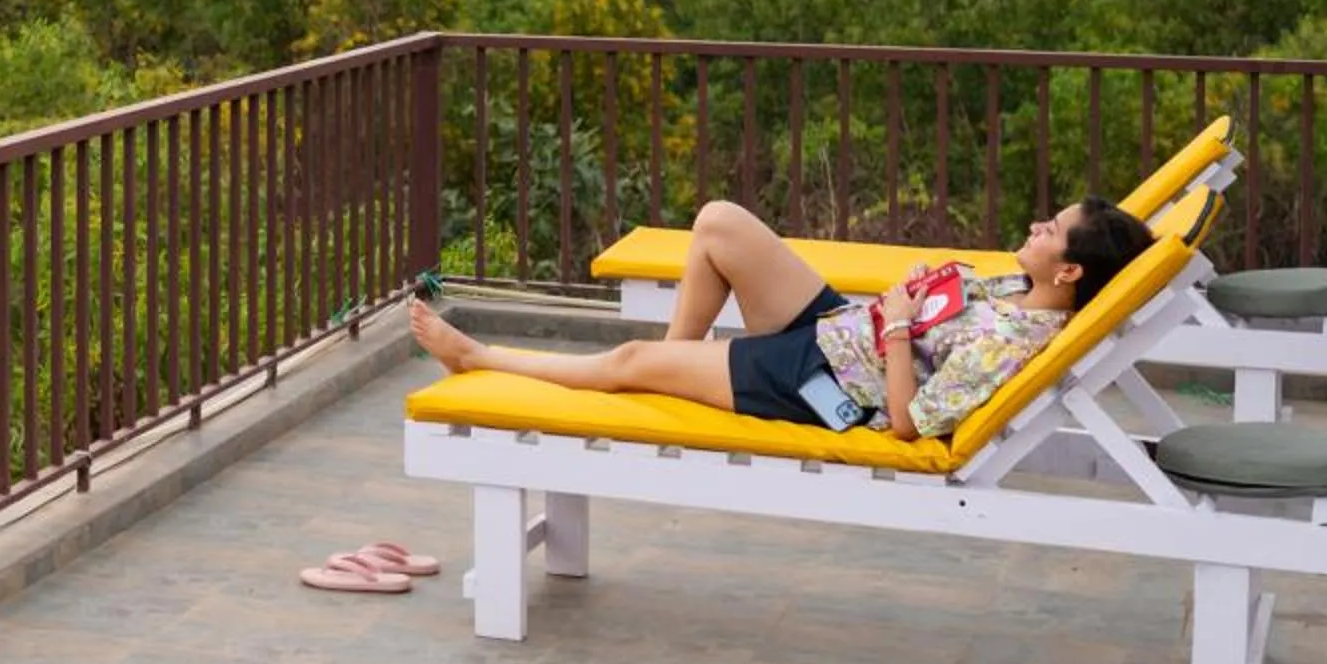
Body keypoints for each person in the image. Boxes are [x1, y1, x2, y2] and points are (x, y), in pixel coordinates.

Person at [409, 196, 1155, 441]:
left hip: (823, 381)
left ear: (1070, 273)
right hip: (837, 328)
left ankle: (477, 358)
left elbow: (908, 419)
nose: (1036, 226)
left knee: (632, 360)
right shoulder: (1015, 291)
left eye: (1051, 230)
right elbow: (939, 305)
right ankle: (672, 379)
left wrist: (896, 325)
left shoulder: (1013, 344)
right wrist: (913, 300)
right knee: (718, 222)